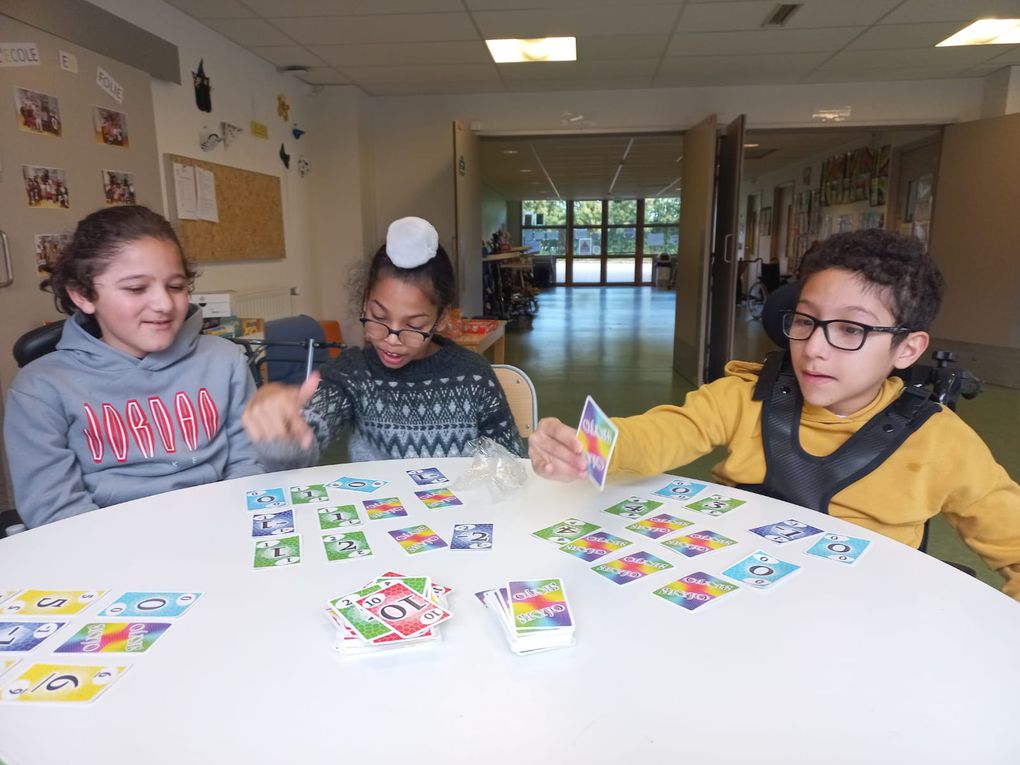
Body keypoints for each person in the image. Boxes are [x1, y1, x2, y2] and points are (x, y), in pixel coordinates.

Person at [529, 230, 1020, 600]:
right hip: (734, 593)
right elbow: (672, 430)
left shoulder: (942, 444)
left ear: (907, 348)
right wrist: (590, 444)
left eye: (851, 330)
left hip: (858, 622)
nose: (815, 349)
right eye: (805, 321)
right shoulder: (748, 395)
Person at [3, 205, 262, 528]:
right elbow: (56, 510)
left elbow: (248, 465)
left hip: (220, 529)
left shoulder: (224, 359)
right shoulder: (39, 388)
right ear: (84, 295)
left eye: (176, 286)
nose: (164, 304)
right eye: (136, 288)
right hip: (104, 549)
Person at [243, 216, 522, 467]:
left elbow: (511, 462)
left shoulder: (473, 374)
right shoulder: (352, 373)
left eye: (413, 326)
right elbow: (304, 442)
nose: (391, 339)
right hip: (381, 518)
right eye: (378, 317)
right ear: (364, 302)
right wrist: (280, 429)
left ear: (441, 318)